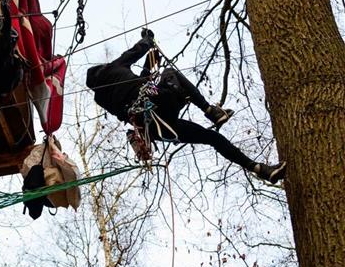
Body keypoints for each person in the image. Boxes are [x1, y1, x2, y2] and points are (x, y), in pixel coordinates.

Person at [86, 29, 286, 183]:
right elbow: (136, 54)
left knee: (211, 138)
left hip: (152, 126)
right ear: (102, 69)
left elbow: (134, 91)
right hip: (158, 102)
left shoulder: (101, 99)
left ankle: (259, 169)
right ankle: (210, 111)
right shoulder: (114, 67)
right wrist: (147, 39)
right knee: (169, 74)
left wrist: (148, 65)